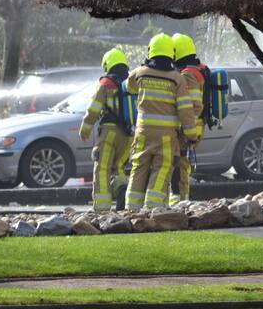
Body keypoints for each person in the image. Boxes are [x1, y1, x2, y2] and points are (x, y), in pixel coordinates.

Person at [124, 34, 199, 211]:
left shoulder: (140, 73)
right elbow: (185, 110)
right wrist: (191, 134)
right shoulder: (176, 78)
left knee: (139, 167)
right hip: (166, 136)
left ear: (151, 51)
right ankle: (153, 208)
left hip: (143, 133)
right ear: (171, 54)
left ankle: (131, 209)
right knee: (162, 168)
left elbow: (128, 87)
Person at [79, 48, 133, 212]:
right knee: (119, 167)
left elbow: (93, 109)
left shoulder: (105, 84)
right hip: (129, 134)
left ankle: (102, 208)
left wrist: (85, 129)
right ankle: (122, 188)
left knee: (102, 168)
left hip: (109, 132)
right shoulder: (130, 83)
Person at [170, 33, 207, 204]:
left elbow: (194, 105)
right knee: (181, 163)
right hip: (196, 124)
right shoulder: (199, 68)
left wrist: (185, 127)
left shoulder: (188, 74)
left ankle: (180, 201)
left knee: (180, 163)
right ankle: (181, 198)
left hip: (190, 126)